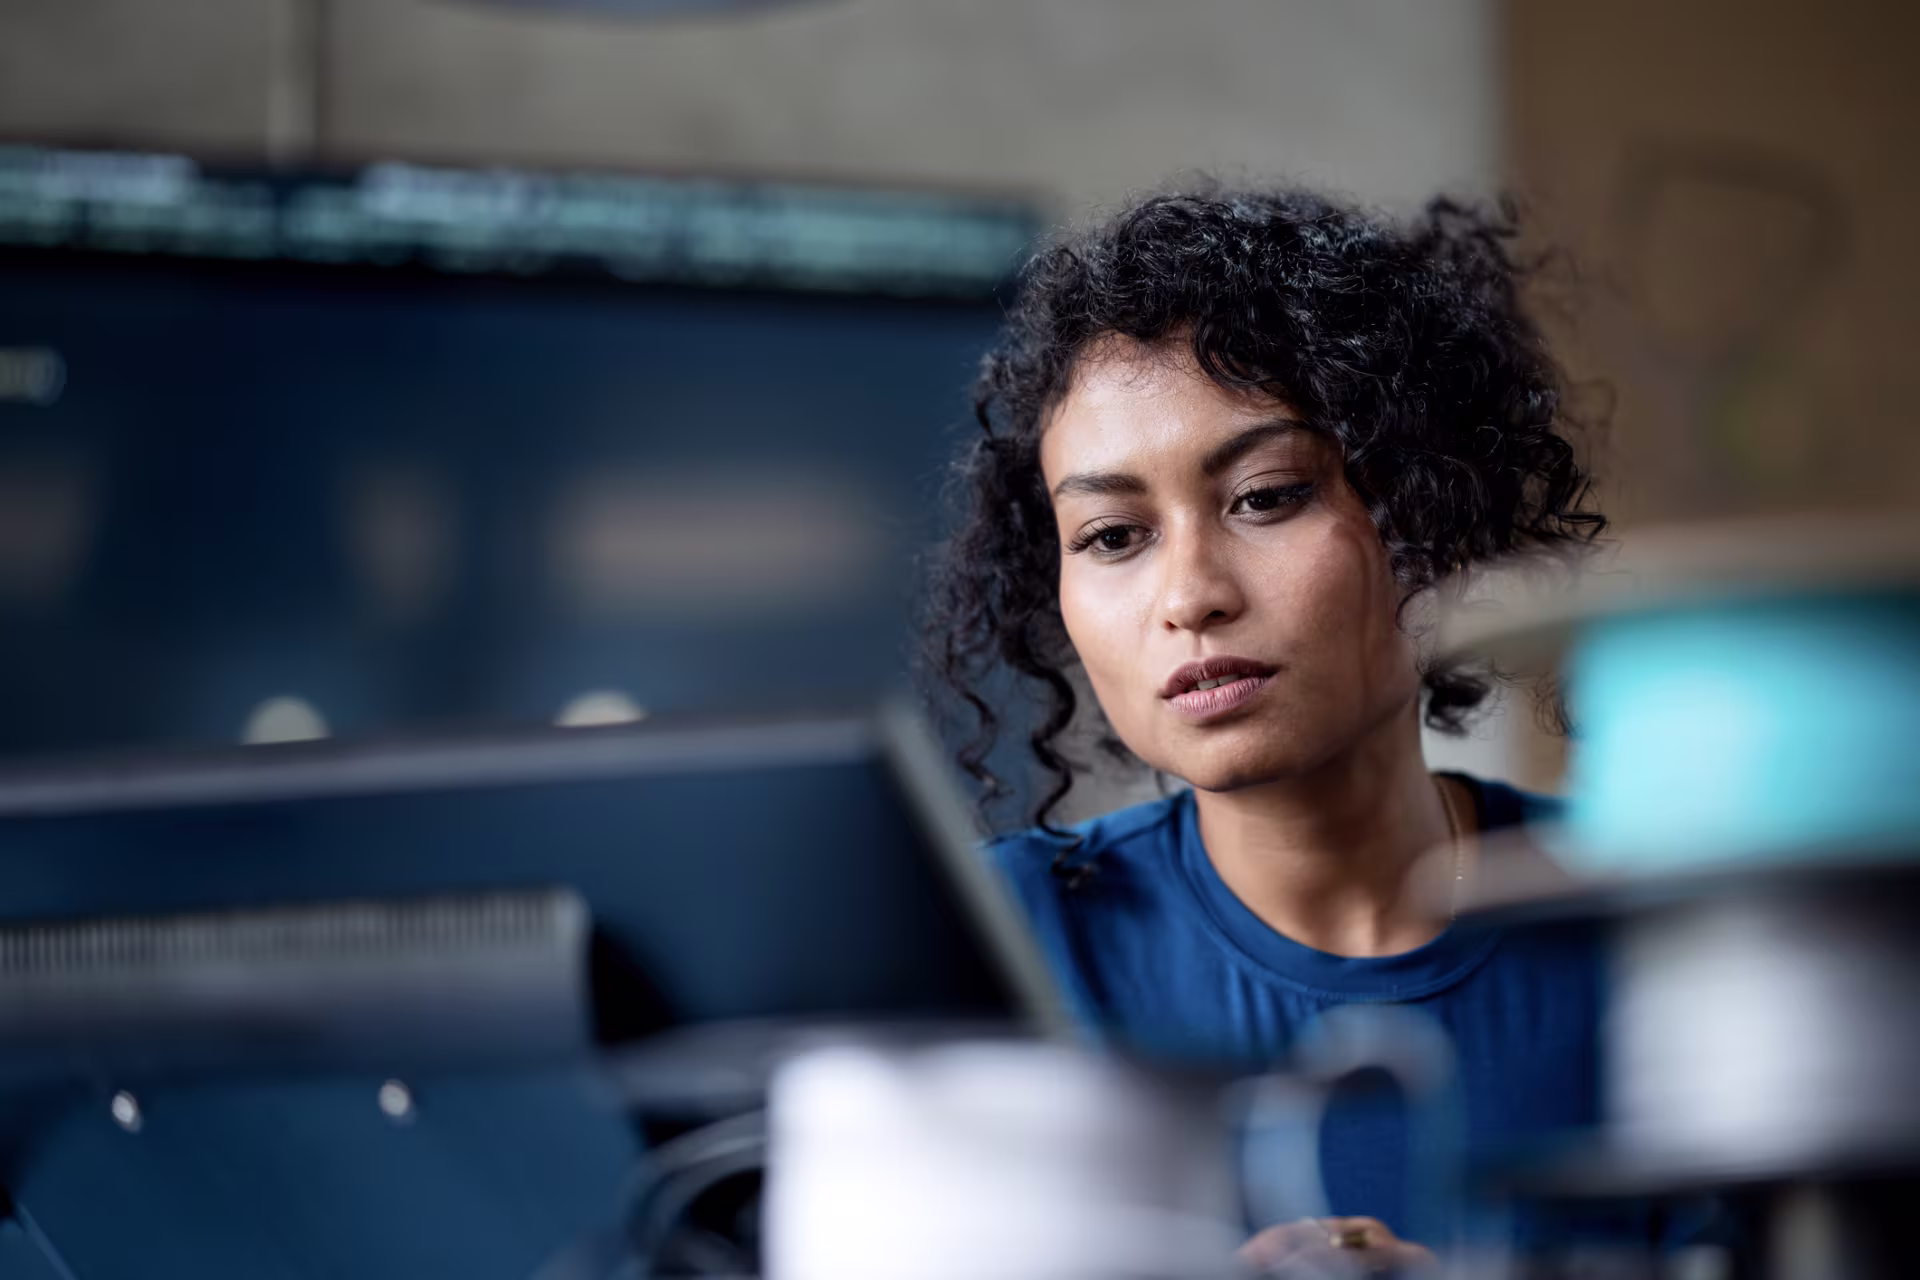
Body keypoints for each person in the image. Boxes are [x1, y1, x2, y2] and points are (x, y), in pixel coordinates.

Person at [924, 185, 1614, 1273]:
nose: (1189, 593)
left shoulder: (1651, 924)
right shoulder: (986, 948)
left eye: (1266, 495)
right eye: (1112, 536)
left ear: (1427, 517)